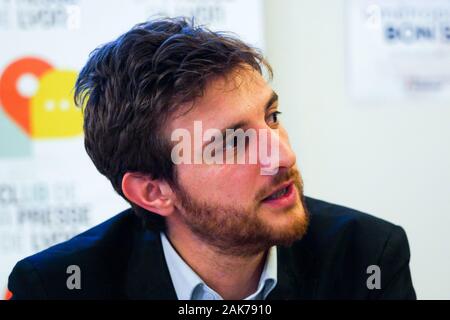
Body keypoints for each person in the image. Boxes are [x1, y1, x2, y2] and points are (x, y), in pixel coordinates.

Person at [8, 17, 415, 300]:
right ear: (154, 191)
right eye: (233, 142)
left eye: (272, 118)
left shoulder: (367, 257)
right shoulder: (55, 288)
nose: (283, 154)